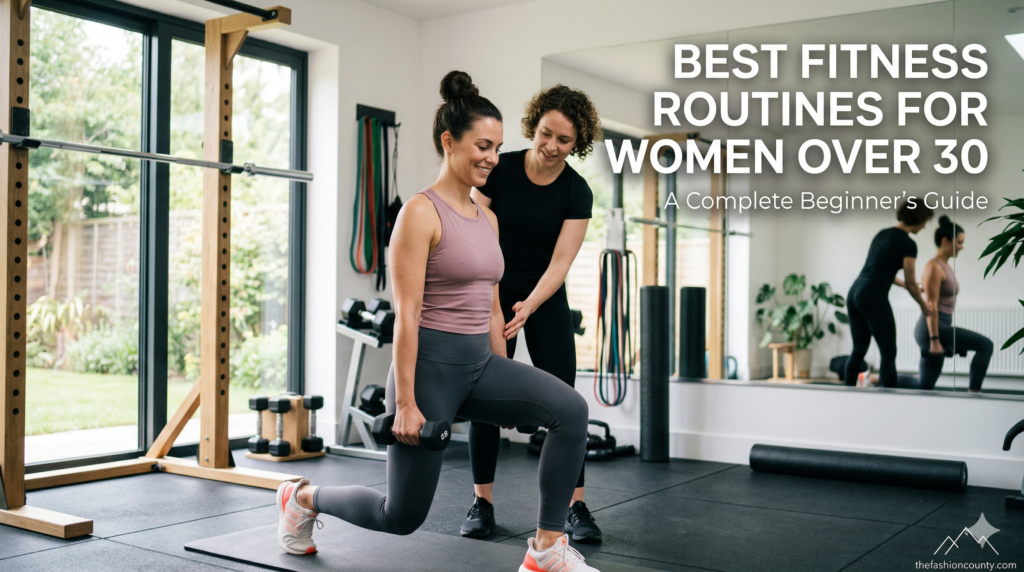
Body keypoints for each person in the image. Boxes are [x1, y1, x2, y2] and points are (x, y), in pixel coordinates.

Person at [275, 71, 598, 572]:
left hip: (480, 364)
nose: (492, 158)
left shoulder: (487, 217)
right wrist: (405, 403)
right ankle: (301, 498)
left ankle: (546, 550)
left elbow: (492, 306)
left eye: (497, 148)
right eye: (483, 147)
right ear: (449, 142)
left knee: (571, 411)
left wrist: (505, 370)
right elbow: (406, 315)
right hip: (430, 373)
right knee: (401, 515)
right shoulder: (419, 214)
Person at [463, 84, 600, 543]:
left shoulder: (576, 191)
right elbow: (476, 236)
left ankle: (575, 506)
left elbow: (560, 263)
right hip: (492, 288)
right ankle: (481, 501)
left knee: (568, 404)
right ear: (534, 125)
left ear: (577, 142)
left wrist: (530, 306)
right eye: (545, 133)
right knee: (483, 392)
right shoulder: (499, 170)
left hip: (545, 296)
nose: (551, 145)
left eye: (564, 139)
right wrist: (497, 301)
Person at [845, 199, 933, 388]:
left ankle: (846, 393)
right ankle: (889, 399)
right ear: (919, 218)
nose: (925, 226)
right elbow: (911, 282)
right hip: (873, 295)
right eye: (925, 221)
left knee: (858, 349)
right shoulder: (908, 244)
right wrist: (924, 306)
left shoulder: (882, 234)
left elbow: (880, 269)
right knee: (888, 352)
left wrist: (905, 286)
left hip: (855, 292)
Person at [914, 215, 993, 392]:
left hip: (941, 326)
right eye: (959, 242)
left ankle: (875, 378)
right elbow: (931, 306)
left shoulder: (945, 266)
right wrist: (935, 340)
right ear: (945, 241)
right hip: (932, 328)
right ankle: (974, 393)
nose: (962, 247)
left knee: (924, 385)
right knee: (985, 345)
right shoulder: (934, 267)